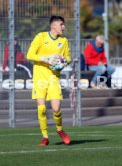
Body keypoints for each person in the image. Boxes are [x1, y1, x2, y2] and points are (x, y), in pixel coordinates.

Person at [26, 15, 71, 146]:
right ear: (54, 26)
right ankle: (45, 136)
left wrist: (63, 62)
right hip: (39, 77)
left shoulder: (64, 41)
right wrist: (47, 58)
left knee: (56, 108)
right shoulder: (41, 37)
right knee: (42, 109)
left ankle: (60, 130)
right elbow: (30, 55)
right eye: (61, 24)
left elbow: (68, 57)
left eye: (64, 24)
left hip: (53, 78)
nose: (64, 27)